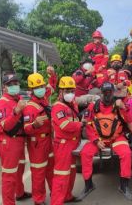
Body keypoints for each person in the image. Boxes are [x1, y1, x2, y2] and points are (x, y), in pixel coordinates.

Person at [78, 82, 132, 201]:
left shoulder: (119, 104)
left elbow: (129, 120)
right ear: (101, 93)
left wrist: (123, 107)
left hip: (117, 138)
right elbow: (87, 124)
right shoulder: (94, 106)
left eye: (110, 92)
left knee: (126, 154)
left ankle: (124, 186)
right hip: (98, 139)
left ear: (113, 92)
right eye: (105, 92)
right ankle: (88, 185)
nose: (107, 94)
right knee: (85, 153)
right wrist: (95, 140)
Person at [0, 74, 31, 205]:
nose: (14, 86)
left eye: (16, 83)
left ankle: (20, 193)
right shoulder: (2, 103)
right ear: (4, 87)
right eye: (10, 84)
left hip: (19, 140)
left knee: (19, 169)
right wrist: (16, 111)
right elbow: (6, 126)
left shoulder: (18, 98)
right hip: (8, 141)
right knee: (9, 175)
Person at [23, 67, 57, 205]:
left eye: (41, 86)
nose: (41, 88)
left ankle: (55, 193)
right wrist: (35, 125)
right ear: (31, 90)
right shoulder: (29, 107)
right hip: (37, 143)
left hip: (48, 140)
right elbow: (26, 129)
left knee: (50, 169)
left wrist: (52, 75)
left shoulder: (43, 98)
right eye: (37, 87)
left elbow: (52, 85)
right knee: (38, 173)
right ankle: (39, 199)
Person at [50, 76, 83, 205]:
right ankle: (57, 201)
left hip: (73, 143)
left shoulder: (72, 103)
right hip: (63, 144)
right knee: (61, 175)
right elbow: (65, 126)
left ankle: (67, 196)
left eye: (72, 91)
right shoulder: (58, 107)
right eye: (67, 91)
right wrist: (81, 124)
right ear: (61, 92)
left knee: (72, 172)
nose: (70, 94)